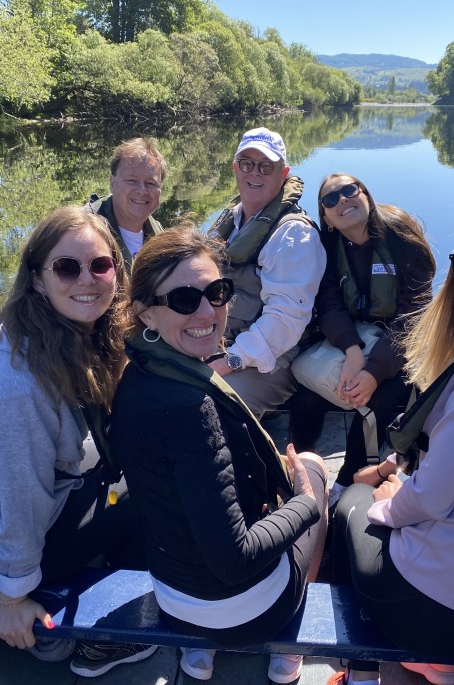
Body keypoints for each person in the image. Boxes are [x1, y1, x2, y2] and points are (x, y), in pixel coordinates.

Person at [110, 224, 329, 684]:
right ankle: (288, 651)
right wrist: (305, 504)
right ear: (146, 314)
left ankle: (199, 658)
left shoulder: (137, 375)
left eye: (218, 291)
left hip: (175, 597)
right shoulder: (191, 408)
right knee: (311, 468)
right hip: (241, 613)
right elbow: (234, 559)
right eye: (185, 300)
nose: (208, 311)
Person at [328, 208, 454, 685]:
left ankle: (361, 671)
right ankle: (437, 669)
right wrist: (396, 471)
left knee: (350, 503)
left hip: (447, 605)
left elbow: (429, 497)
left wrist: (385, 501)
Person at [0, 207, 157, 677]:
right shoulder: (21, 384)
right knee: (154, 486)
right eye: (66, 267)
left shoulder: (73, 334)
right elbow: (18, 492)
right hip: (17, 532)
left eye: (100, 265)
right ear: (36, 280)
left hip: (55, 499)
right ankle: (115, 634)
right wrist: (13, 596)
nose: (87, 279)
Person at [290, 173, 436, 508]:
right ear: (325, 216)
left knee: (378, 398)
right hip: (352, 339)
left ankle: (345, 481)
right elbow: (328, 302)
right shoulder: (326, 247)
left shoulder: (400, 233)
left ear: (365, 195)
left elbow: (414, 314)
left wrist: (372, 370)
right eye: (330, 199)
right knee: (305, 400)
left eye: (348, 190)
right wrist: (352, 351)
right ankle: (301, 469)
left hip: (401, 344)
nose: (342, 200)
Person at [207, 127, 326, 419]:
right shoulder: (231, 218)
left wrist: (229, 360)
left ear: (283, 173)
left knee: (210, 408)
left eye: (266, 166)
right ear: (236, 168)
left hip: (274, 357)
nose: (254, 173)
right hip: (222, 340)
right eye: (247, 164)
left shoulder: (294, 234)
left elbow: (285, 319)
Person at [88, 137, 167, 272]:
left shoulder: (160, 236)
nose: (142, 191)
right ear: (113, 184)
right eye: (132, 180)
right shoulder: (82, 231)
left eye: (151, 183)